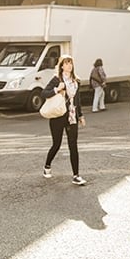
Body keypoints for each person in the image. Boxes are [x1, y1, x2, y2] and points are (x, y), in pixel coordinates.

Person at [41, 55, 87, 186]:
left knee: (73, 146)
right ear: (61, 66)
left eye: (71, 63)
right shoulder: (56, 80)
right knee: (57, 144)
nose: (69, 66)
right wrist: (57, 89)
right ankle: (47, 166)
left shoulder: (76, 81)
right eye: (66, 63)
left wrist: (81, 116)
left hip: (71, 117)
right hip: (58, 116)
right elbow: (44, 93)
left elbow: (77, 100)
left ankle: (76, 175)